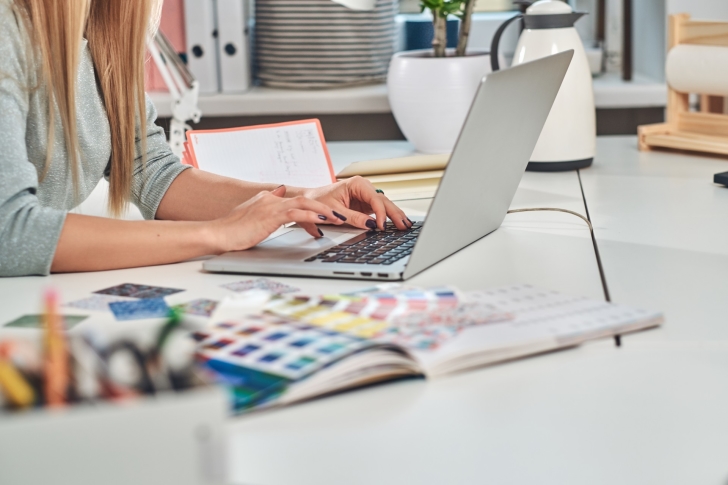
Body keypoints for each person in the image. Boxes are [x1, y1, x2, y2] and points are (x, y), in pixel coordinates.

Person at [0, 0, 410, 278]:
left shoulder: (101, 24)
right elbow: (9, 232)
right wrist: (216, 235)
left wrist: (301, 202)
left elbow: (150, 170)